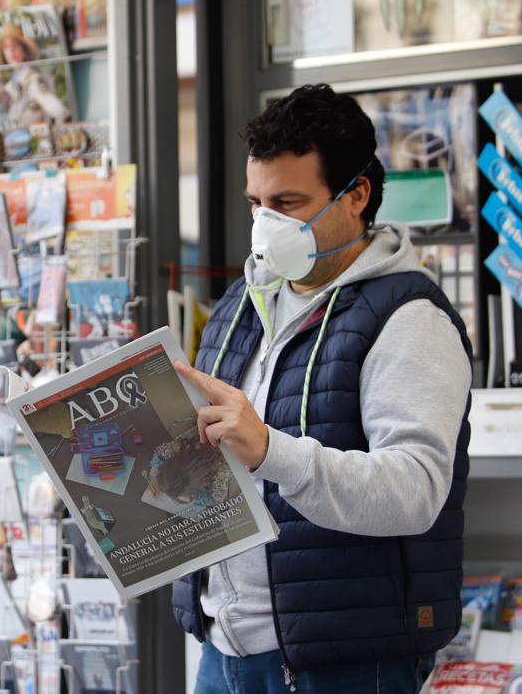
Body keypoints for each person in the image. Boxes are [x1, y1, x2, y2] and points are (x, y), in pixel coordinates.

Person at [171, 84, 472, 692]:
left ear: (356, 194)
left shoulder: (408, 318)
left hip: (340, 664)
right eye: (256, 203)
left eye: (287, 202)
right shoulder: (240, 306)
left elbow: (414, 491)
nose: (266, 225)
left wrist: (269, 451)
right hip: (223, 651)